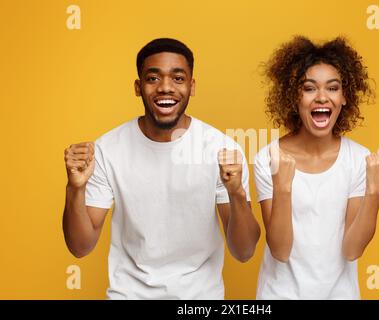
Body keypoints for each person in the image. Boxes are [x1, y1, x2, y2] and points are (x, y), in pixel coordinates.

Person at [62, 38, 260, 299]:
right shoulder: (107, 149)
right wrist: (75, 188)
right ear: (138, 87)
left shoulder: (220, 149)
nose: (165, 88)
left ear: (192, 86)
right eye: (153, 78)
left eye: (178, 78)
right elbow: (80, 247)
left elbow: (244, 252)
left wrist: (235, 193)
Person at [254, 36, 379, 299]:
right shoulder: (268, 158)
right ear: (294, 97)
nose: (321, 97)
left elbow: (352, 250)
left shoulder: (358, 159)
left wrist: (375, 191)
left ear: (344, 98)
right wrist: (282, 186)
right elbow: (280, 250)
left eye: (332, 88)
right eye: (309, 88)